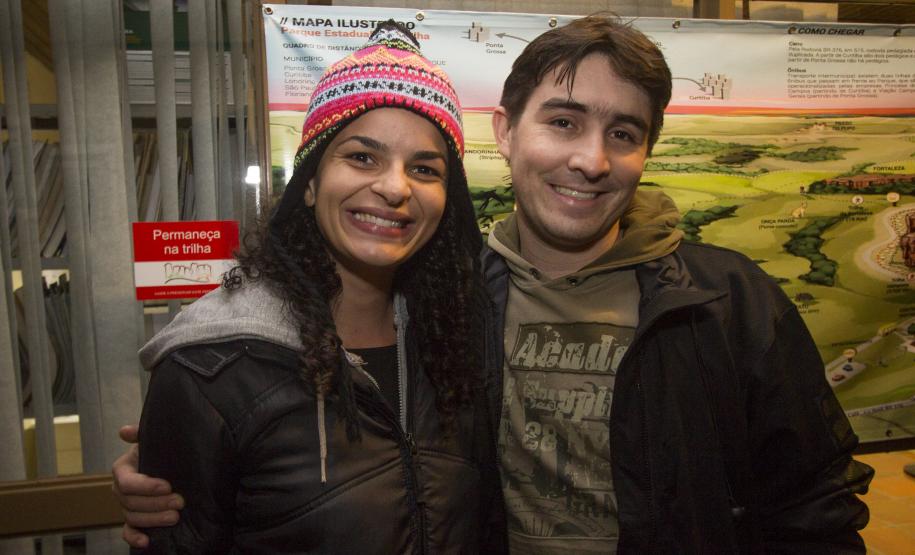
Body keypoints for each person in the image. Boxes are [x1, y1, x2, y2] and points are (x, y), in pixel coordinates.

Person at [114, 14, 873, 553]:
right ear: (506, 134)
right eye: (563, 122)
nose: (590, 161)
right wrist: (183, 463)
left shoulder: (724, 301)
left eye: (623, 133)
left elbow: (815, 507)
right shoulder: (459, 303)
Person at [121, 22, 500, 553]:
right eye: (362, 157)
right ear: (310, 184)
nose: (395, 187)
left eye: (424, 168)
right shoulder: (212, 366)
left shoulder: (460, 339)